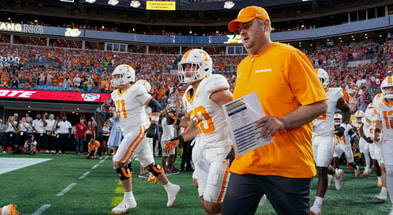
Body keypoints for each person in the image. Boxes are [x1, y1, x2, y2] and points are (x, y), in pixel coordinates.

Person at [222, 6, 328, 215]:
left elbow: (319, 104)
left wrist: (282, 122)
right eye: (239, 28)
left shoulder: (289, 56)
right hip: (247, 163)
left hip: (286, 164)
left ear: (266, 25)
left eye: (248, 25)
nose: (242, 32)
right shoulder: (243, 66)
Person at [164, 49, 234, 214]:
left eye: (192, 66)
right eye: (185, 66)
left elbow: (237, 112)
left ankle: (248, 188)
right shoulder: (187, 95)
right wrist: (179, 136)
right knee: (203, 197)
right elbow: (194, 125)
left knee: (212, 204)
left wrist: (238, 145)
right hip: (203, 148)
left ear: (204, 67)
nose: (187, 70)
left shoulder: (213, 85)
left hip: (222, 148)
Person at [110, 64, 180, 214]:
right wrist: (112, 116)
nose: (114, 79)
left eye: (117, 76)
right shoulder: (115, 94)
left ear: (127, 76)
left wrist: (154, 125)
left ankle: (129, 199)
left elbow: (155, 105)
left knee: (118, 161)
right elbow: (123, 113)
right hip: (129, 130)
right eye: (114, 76)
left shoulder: (136, 89)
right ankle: (170, 187)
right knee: (149, 164)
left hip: (139, 129)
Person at [310, 68, 351, 215]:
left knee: (321, 169)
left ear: (325, 80)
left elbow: (346, 110)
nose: (315, 83)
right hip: (312, 135)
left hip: (327, 135)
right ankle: (337, 174)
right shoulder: (307, 92)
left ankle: (317, 204)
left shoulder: (333, 94)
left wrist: (343, 126)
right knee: (317, 166)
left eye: (318, 80)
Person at [374, 76, 393, 215]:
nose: (390, 90)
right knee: (390, 171)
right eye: (387, 88)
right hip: (388, 139)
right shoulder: (379, 102)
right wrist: (376, 132)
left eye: (392, 88)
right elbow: (379, 120)